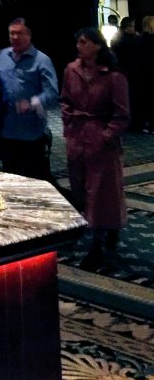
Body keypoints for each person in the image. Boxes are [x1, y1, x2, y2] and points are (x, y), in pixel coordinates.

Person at [61, 27, 130, 270]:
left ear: (97, 46)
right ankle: (104, 229)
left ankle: (98, 243)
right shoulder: (72, 70)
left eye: (84, 42)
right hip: (77, 139)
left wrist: (106, 135)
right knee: (81, 190)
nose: (79, 46)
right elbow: (66, 101)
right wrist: (69, 126)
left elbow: (122, 114)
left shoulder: (113, 76)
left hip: (101, 143)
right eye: (78, 42)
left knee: (101, 194)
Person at [0, 18, 58, 179]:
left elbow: (52, 94)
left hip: (31, 134)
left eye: (19, 33)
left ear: (28, 34)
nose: (14, 37)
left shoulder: (42, 61)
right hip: (7, 130)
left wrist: (32, 103)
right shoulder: (3, 56)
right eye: (11, 33)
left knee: (33, 180)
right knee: (11, 178)